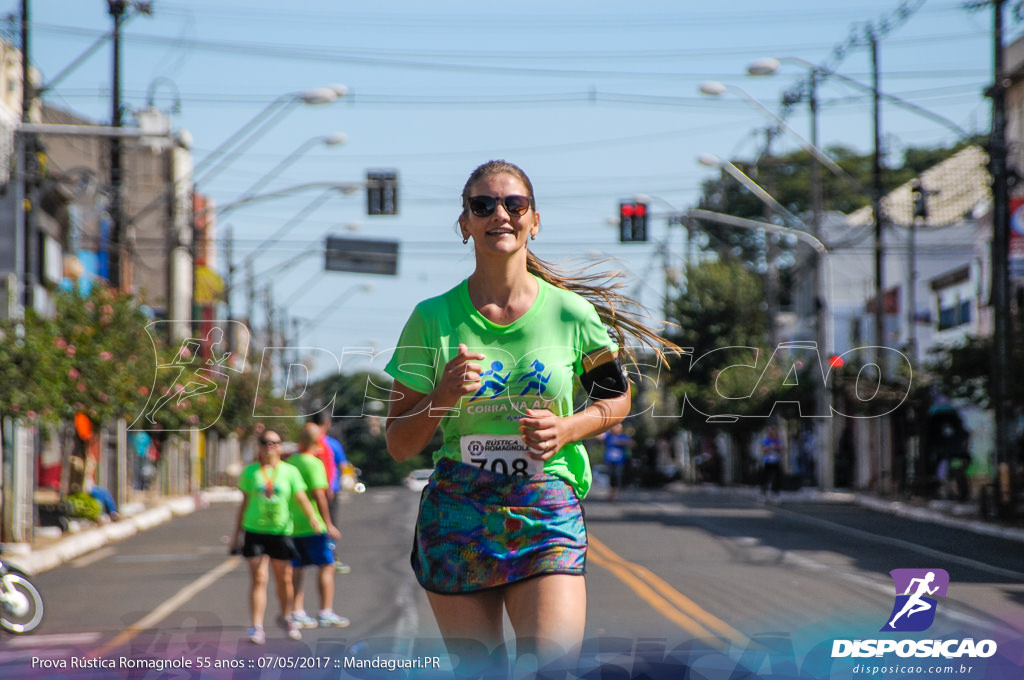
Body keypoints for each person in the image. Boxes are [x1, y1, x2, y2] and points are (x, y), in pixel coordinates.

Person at [383, 160, 676, 675]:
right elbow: (399, 444)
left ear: (533, 220)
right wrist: (443, 397)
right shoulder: (432, 318)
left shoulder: (571, 314)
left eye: (514, 204)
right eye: (483, 205)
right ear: (465, 223)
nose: (500, 214)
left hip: (546, 509)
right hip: (459, 512)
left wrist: (568, 428)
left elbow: (617, 399)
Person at [230, 429, 325, 645]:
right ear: (260, 446)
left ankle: (287, 616)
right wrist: (236, 536)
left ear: (281, 447)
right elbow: (243, 504)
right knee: (259, 578)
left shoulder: (289, 471)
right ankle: (257, 626)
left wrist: (315, 519)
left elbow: (301, 497)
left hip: (281, 532)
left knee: (284, 579)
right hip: (254, 530)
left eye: (275, 443)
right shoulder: (251, 472)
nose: (270, 446)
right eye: (265, 442)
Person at [284, 423, 349, 629]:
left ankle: (297, 611)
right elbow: (319, 495)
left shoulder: (291, 462)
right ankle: (325, 611)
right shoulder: (313, 463)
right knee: (327, 566)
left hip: (292, 523)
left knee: (297, 568)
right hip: (312, 525)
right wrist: (328, 523)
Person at [602, 423, 633, 502]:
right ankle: (611, 494)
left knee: (617, 476)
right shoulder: (609, 436)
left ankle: (615, 495)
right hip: (609, 460)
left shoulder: (623, 437)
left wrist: (621, 442)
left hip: (619, 461)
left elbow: (632, 443)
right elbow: (599, 436)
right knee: (611, 477)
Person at [760, 425, 783, 496]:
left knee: (777, 477)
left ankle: (776, 490)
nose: (774, 434)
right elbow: (763, 450)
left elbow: (781, 449)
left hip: (776, 461)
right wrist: (771, 448)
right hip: (768, 461)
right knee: (766, 477)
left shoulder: (778, 441)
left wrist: (774, 448)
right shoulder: (766, 440)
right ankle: (764, 489)